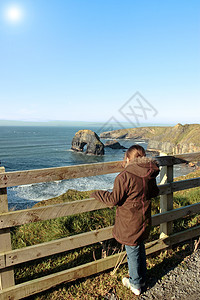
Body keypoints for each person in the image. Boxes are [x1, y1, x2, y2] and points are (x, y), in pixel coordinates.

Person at [91, 144, 160, 296]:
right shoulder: (150, 173)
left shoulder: (125, 176)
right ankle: (142, 278)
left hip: (130, 221)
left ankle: (135, 284)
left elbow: (113, 199)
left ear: (128, 159)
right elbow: (155, 192)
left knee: (133, 250)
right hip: (144, 218)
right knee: (139, 247)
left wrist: (97, 193)